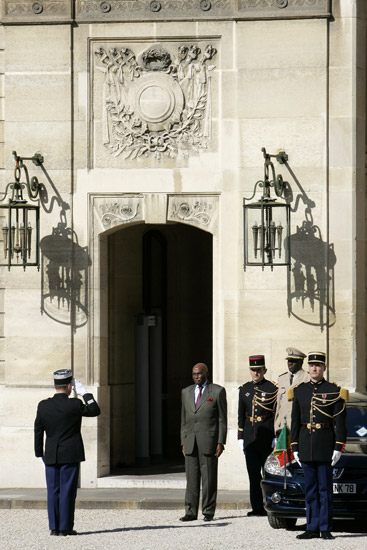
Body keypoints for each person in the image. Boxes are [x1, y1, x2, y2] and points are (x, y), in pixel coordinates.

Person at [34, 369, 101, 536]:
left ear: (55, 385)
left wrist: (39, 454)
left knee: (53, 491)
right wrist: (84, 393)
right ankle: (65, 527)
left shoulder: (43, 405)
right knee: (67, 491)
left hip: (51, 454)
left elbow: (38, 431)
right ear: (70, 386)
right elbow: (95, 410)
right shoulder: (75, 404)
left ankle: (54, 528)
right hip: (70, 454)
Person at [290, 352, 348, 540]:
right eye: (312, 365)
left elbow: (340, 422)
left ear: (324, 368)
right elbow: (295, 420)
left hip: (325, 446)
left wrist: (338, 447)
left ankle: (325, 527)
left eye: (318, 365)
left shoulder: (334, 390)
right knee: (311, 490)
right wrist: (295, 447)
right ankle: (312, 526)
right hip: (306, 445)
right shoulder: (299, 390)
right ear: (308, 367)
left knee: (325, 490)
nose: (314, 368)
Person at [180, 362, 227, 522]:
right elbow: (183, 419)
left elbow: (222, 419)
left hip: (209, 441)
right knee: (191, 479)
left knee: (209, 479)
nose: (196, 376)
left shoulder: (217, 391)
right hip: (190, 441)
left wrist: (221, 441)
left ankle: (208, 511)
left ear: (206, 373)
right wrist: (183, 442)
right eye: (194, 374)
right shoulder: (186, 392)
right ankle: (190, 511)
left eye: (199, 373)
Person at [238, 355, 278, 516]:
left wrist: (276, 435)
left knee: (268, 474)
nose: (256, 373)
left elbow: (276, 413)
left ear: (264, 370)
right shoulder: (244, 389)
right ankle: (257, 507)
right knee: (253, 474)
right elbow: (241, 414)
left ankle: (271, 505)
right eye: (253, 370)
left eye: (259, 370)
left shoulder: (272, 388)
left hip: (267, 436)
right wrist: (240, 436)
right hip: (250, 438)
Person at [274, 347, 309, 434]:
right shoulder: (282, 378)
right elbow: (279, 406)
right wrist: (276, 426)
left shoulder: (308, 378)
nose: (290, 363)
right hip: (282, 428)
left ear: (301, 362)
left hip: (299, 428)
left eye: (293, 361)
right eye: (289, 360)